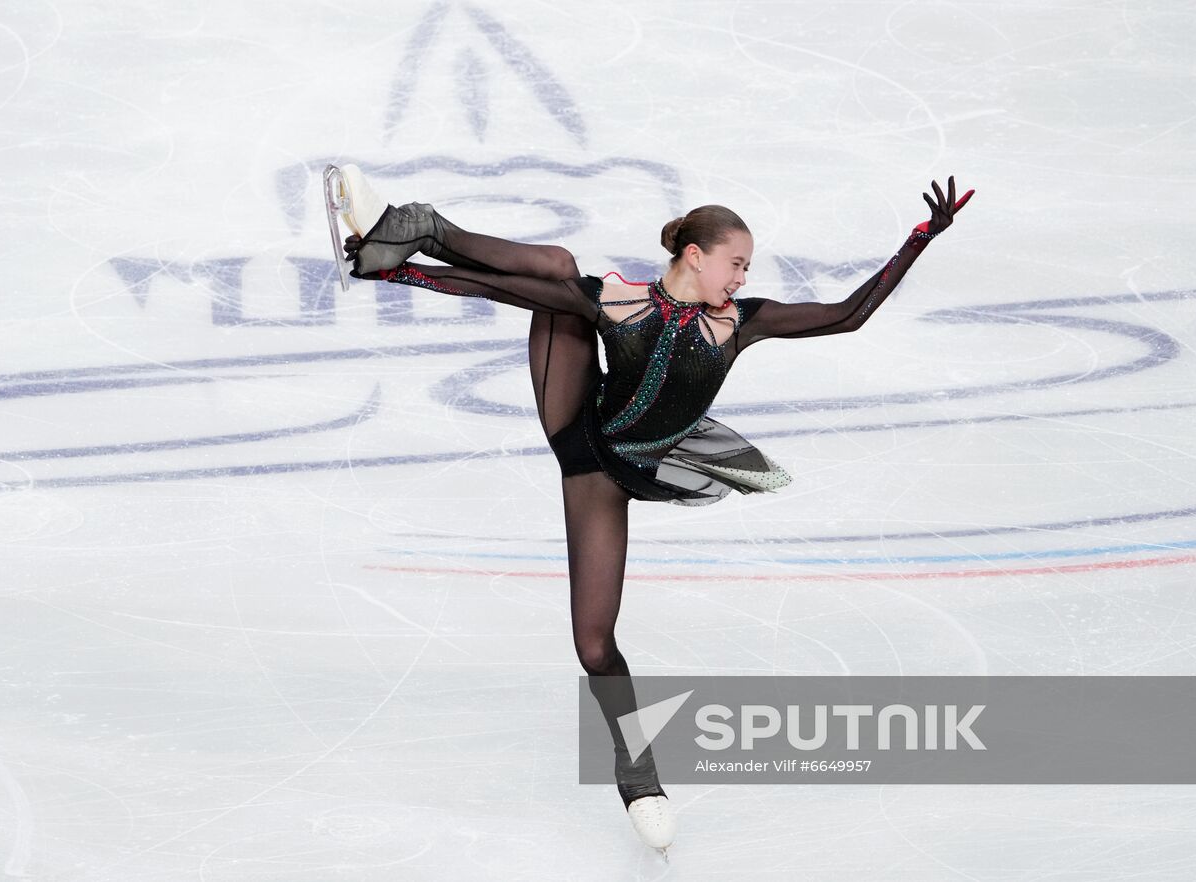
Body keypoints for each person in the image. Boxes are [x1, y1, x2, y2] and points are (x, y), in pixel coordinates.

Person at [330, 167, 974, 856]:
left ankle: (413, 230)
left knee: (598, 648)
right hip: (582, 439)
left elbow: (847, 315)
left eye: (746, 267)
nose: (741, 276)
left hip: (636, 468)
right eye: (735, 263)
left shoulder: (740, 324)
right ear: (695, 256)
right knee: (555, 274)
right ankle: (417, 228)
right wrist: (401, 279)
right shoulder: (618, 301)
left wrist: (920, 239)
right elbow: (498, 289)